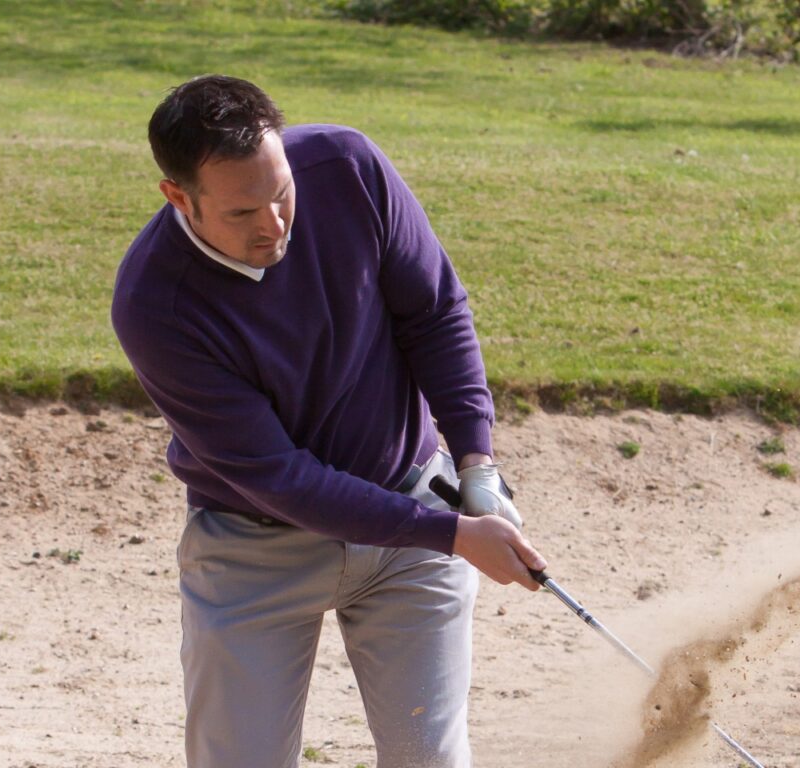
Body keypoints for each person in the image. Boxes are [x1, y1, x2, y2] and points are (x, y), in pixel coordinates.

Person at [111, 74, 547, 768]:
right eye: (243, 212)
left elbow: (434, 313)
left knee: (428, 758)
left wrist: (477, 464)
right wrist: (455, 534)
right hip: (258, 550)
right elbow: (282, 477)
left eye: (282, 193)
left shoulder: (346, 167)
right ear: (178, 197)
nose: (275, 224)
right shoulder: (155, 305)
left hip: (412, 506)